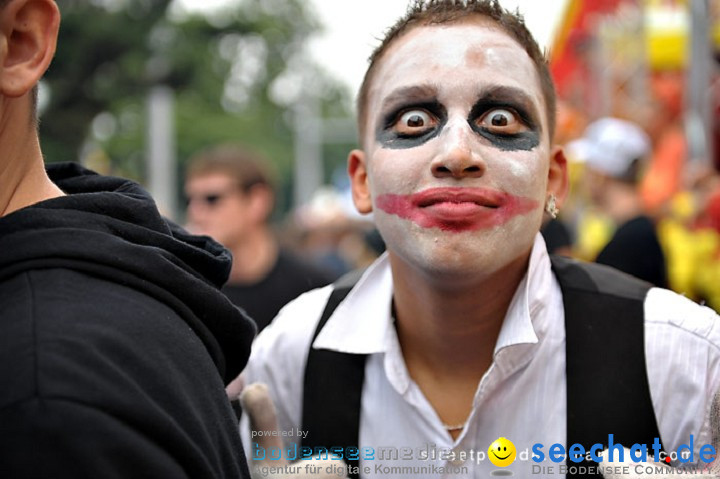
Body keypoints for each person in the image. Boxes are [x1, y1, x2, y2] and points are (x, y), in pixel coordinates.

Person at [242, 1, 720, 478]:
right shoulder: (290, 357)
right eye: (413, 121)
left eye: (500, 121)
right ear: (362, 182)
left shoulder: (685, 362)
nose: (456, 154)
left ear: (553, 180)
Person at [0, 1, 254, 477]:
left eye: (214, 198)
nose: (200, 212)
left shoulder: (45, 394)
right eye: (194, 198)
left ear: (20, 42)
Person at [184, 144, 335, 333]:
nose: (196, 212)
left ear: (258, 201)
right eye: (189, 200)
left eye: (212, 199)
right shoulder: (187, 288)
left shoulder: (313, 287)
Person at [580, 117, 669, 288]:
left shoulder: (629, 243)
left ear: (600, 174)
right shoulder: (639, 232)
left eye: (587, 168)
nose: (583, 176)